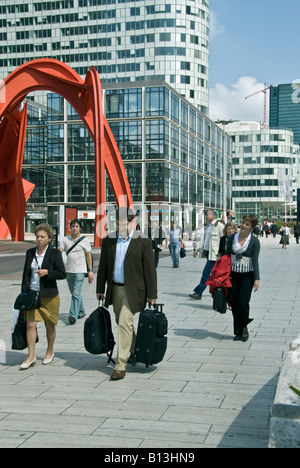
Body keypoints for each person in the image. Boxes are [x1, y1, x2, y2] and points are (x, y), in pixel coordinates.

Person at [96, 207, 157, 380]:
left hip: (134, 290)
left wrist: (152, 294)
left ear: (132, 223)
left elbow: (150, 270)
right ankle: (135, 350)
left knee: (124, 322)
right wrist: (100, 289)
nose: (120, 227)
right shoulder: (109, 240)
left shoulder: (143, 241)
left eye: (124, 224)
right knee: (122, 323)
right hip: (115, 289)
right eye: (117, 224)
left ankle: (120, 365)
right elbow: (103, 267)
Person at [19, 224, 66, 370]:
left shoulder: (54, 254)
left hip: (49, 295)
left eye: (42, 237)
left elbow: (62, 274)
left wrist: (47, 273)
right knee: (30, 324)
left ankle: (49, 351)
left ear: (49, 239)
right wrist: (23, 293)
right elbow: (25, 274)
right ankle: (31, 355)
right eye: (37, 236)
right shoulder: (30, 253)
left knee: (49, 324)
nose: (39, 239)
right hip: (32, 294)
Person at [225, 214, 260, 342]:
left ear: (251, 227)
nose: (243, 226)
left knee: (243, 301)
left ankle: (244, 326)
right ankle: (237, 330)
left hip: (247, 275)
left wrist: (257, 278)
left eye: (247, 224)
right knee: (234, 303)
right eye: (243, 222)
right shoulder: (232, 238)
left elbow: (255, 260)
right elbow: (226, 256)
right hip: (232, 275)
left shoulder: (255, 241)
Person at [59, 219, 93, 324]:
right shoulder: (65, 239)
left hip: (80, 271)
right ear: (70, 228)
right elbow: (60, 252)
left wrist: (90, 270)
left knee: (76, 293)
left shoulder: (85, 241)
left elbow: (88, 255)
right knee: (74, 293)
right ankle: (81, 311)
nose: (74, 228)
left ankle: (73, 315)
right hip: (69, 270)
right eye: (73, 226)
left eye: (77, 226)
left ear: (80, 228)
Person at [189, 210, 224, 300]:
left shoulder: (219, 226)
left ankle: (199, 292)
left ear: (213, 216)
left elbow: (223, 241)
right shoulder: (208, 226)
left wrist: (220, 254)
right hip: (208, 253)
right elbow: (205, 240)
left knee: (206, 273)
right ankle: (208, 290)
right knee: (209, 274)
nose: (206, 216)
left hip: (214, 255)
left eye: (207, 214)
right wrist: (197, 250)